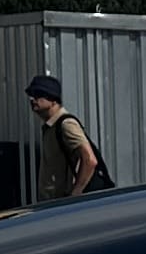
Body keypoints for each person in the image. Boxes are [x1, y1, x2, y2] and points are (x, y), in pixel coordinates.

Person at [27, 73, 105, 201]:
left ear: (53, 100)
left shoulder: (66, 124)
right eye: (31, 95)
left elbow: (90, 160)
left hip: (65, 203)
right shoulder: (50, 127)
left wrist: (76, 193)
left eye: (38, 94)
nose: (32, 99)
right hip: (54, 202)